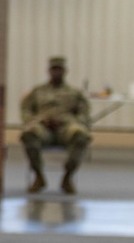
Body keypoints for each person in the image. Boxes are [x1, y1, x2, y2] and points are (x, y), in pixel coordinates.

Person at [19, 55, 92, 194]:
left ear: (65, 71)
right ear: (49, 71)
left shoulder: (75, 93)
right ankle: (39, 176)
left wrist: (72, 122)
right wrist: (35, 121)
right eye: (54, 69)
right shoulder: (38, 91)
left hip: (66, 127)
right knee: (28, 135)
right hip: (43, 127)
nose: (56, 72)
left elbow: (84, 115)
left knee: (81, 136)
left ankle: (67, 177)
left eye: (59, 69)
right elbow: (26, 110)